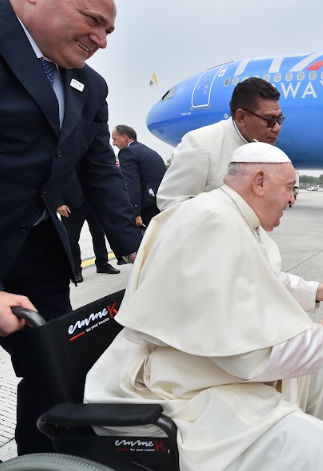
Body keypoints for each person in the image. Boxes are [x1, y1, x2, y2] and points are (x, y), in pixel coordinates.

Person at [85, 143, 323, 471]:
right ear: (259, 182)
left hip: (202, 363)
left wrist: (321, 290)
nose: (292, 199)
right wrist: (317, 336)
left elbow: (260, 282)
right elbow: (242, 355)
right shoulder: (211, 222)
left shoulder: (233, 216)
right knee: (314, 441)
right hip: (180, 383)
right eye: (288, 188)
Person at [0, 0, 142, 454]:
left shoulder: (89, 85)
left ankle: (42, 460)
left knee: (56, 369)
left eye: (109, 31)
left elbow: (98, 168)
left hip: (38, 249)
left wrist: (137, 249)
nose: (101, 41)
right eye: (92, 20)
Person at [156, 77, 284, 211]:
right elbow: (170, 204)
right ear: (241, 117)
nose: (277, 127)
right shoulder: (201, 144)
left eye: (280, 119)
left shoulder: (263, 148)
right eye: (270, 120)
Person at [58, 172, 120, 283]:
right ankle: (75, 269)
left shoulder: (86, 155)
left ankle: (102, 264)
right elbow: (51, 180)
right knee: (71, 239)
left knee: (99, 234)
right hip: (71, 205)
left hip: (93, 202)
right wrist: (58, 203)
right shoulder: (59, 157)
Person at [112, 125, 166, 228]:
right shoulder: (147, 151)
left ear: (124, 137)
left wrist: (135, 213)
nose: (113, 144)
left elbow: (131, 182)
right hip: (159, 201)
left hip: (148, 206)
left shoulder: (126, 152)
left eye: (115, 139)